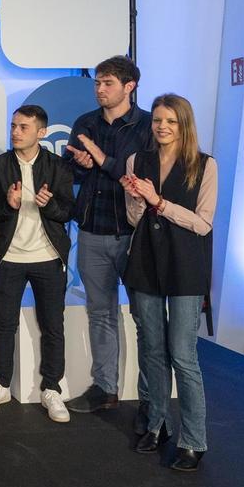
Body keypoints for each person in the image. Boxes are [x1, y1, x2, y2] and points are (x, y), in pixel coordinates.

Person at [122, 94, 216, 472]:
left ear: (184, 125)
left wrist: (159, 202)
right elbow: (133, 220)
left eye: (170, 121)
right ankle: (158, 425)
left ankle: (194, 440)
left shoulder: (204, 165)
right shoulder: (136, 161)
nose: (161, 127)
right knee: (153, 350)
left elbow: (203, 223)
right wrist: (137, 200)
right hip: (145, 260)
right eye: (158, 120)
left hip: (185, 266)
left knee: (183, 355)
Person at [62, 56, 153, 424]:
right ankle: (106, 388)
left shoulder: (148, 126)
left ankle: (152, 395)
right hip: (91, 230)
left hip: (135, 235)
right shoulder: (85, 123)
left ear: (129, 86)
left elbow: (142, 178)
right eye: (97, 82)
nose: (100, 89)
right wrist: (81, 165)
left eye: (108, 83)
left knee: (146, 319)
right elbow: (68, 170)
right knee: (100, 314)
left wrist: (101, 158)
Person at [0, 105, 74, 423]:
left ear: (41, 133)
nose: (16, 132)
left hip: (48, 258)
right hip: (9, 258)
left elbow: (67, 212)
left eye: (23, 127)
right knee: (4, 325)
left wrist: (49, 206)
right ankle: (1, 383)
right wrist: (8, 204)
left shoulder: (58, 167)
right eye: (14, 126)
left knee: (52, 326)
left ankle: (51, 389)